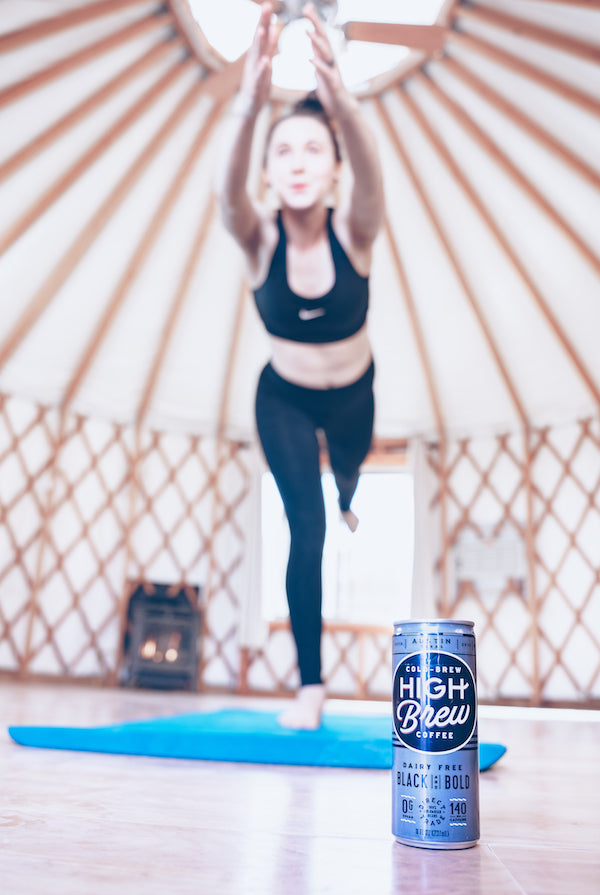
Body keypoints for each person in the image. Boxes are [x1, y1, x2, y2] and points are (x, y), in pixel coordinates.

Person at [218, 2, 384, 729]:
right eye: (283, 152)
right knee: (305, 527)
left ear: (335, 167)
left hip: (352, 396)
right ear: (269, 171)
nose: (297, 163)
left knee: (346, 477)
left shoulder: (357, 229)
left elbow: (373, 169)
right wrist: (251, 103)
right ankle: (310, 687)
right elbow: (226, 194)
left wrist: (339, 98)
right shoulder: (257, 241)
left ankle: (349, 487)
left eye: (313, 150)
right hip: (282, 396)